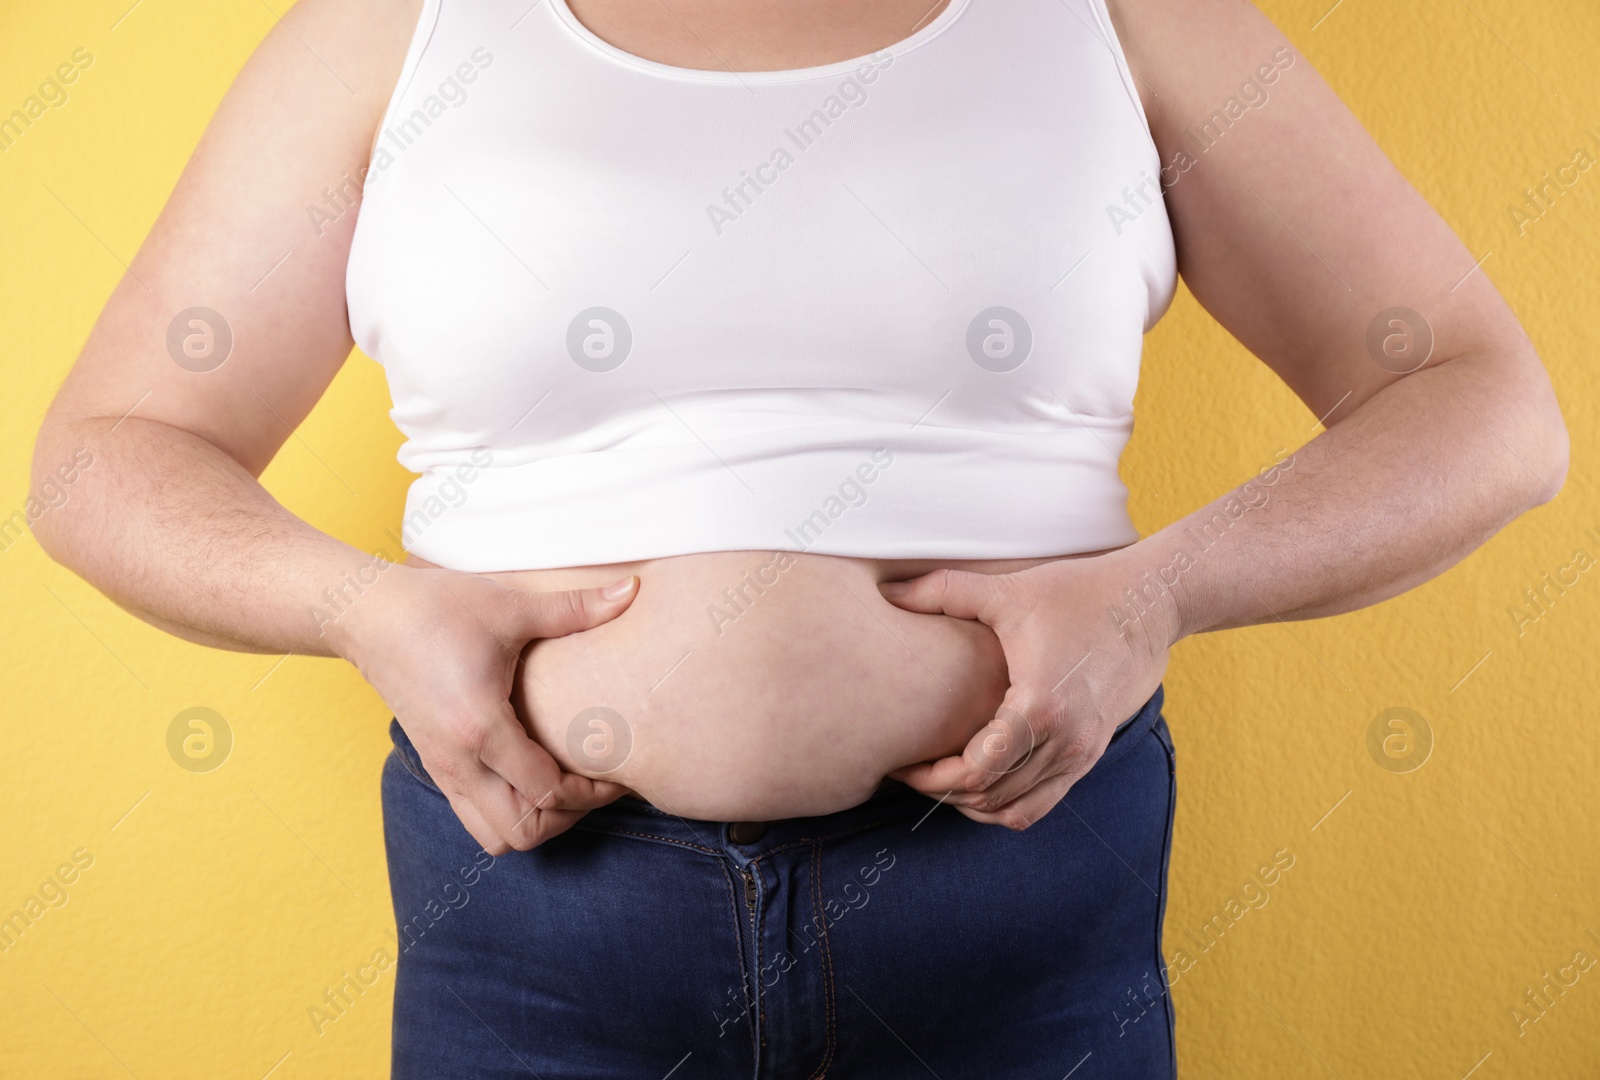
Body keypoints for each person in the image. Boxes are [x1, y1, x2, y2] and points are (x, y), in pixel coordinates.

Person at [31, 0, 1566, 1075]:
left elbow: (1484, 405)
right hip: (539, 935)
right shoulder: (396, 34)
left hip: (1017, 918)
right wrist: (361, 609)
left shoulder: (1122, 19)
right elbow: (109, 457)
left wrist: (1163, 591)